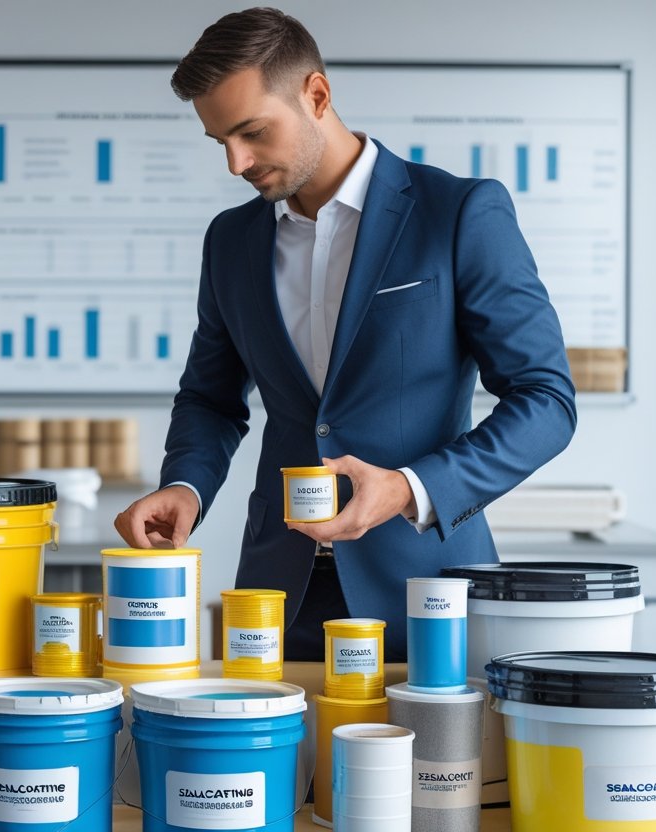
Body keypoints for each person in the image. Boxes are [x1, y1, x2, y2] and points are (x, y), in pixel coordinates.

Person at [114, 7, 577, 661]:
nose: (236, 162)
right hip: (278, 598)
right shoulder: (231, 240)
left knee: (438, 770)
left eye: (251, 133)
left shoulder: (459, 213)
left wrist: (410, 488)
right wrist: (184, 486)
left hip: (425, 592)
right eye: (220, 141)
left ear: (318, 95)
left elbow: (546, 401)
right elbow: (210, 399)